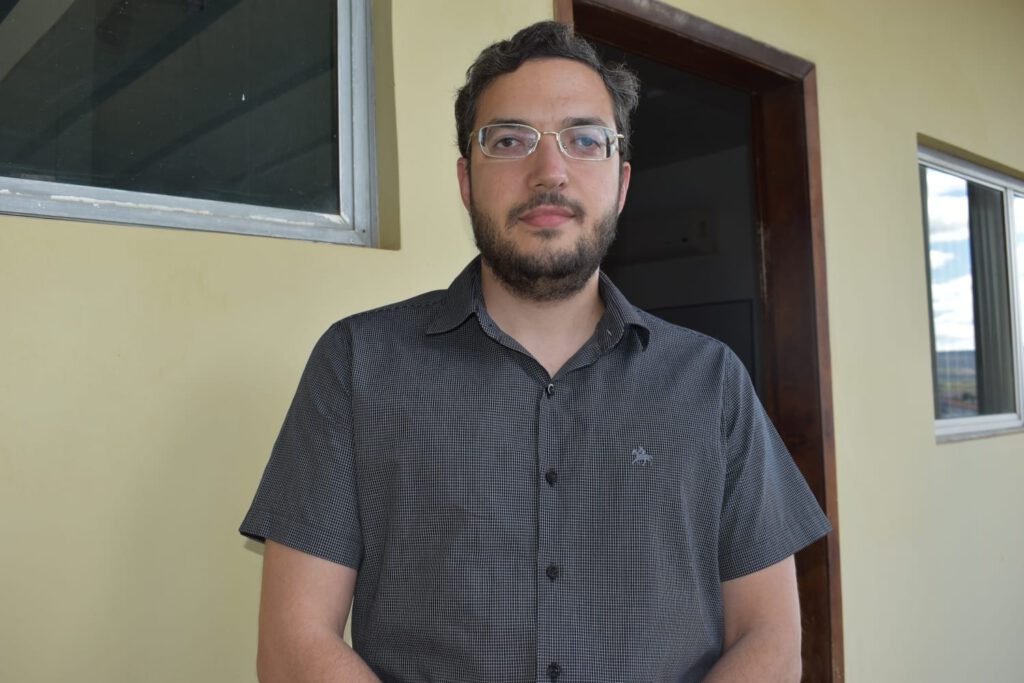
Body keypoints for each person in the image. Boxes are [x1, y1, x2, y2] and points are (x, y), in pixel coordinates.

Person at [241, 20, 830, 683]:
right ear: (467, 181)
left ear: (621, 183)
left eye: (585, 140)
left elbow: (770, 636)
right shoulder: (356, 364)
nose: (549, 172)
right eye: (510, 140)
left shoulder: (712, 381)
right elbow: (294, 643)